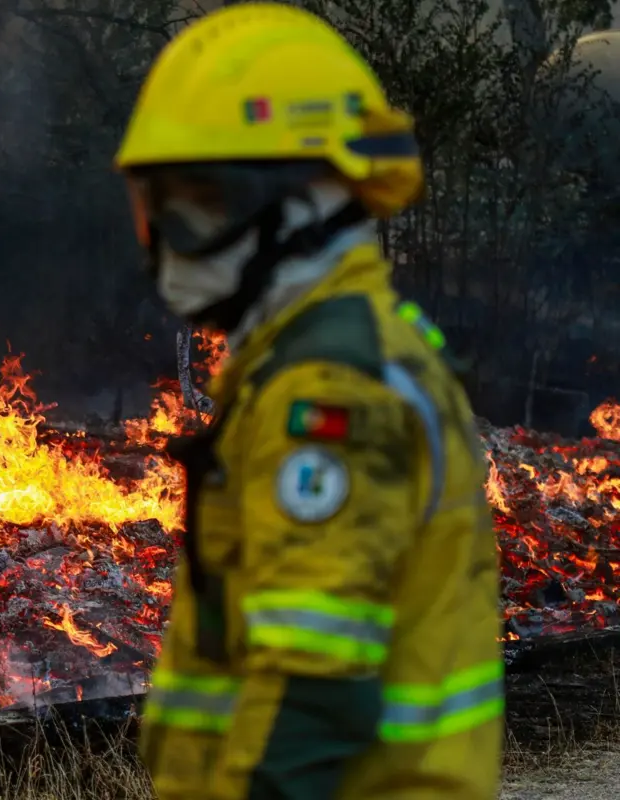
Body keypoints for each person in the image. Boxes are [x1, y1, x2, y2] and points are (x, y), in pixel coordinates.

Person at [113, 4, 503, 799]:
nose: (161, 237)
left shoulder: (329, 392)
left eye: (196, 202)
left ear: (298, 207)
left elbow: (312, 697)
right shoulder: (322, 361)